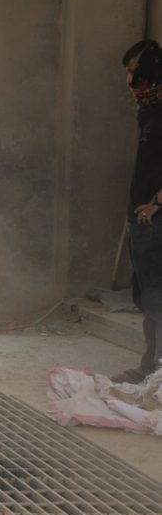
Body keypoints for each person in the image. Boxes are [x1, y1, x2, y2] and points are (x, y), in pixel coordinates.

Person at [113, 40, 162, 383]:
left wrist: (158, 201)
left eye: (134, 72)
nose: (130, 81)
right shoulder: (150, 111)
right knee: (147, 295)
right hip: (143, 217)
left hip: (155, 216)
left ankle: (153, 371)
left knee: (157, 295)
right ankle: (151, 368)